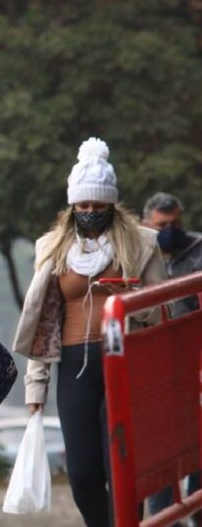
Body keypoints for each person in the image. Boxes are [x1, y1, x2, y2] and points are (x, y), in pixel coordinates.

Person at [13, 138, 167, 527]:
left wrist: (129, 297)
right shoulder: (52, 248)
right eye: (84, 206)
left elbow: (161, 309)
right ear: (72, 206)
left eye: (99, 206)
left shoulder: (142, 243)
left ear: (111, 205)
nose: (91, 213)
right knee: (82, 474)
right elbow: (42, 321)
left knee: (121, 466)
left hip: (125, 361)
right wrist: (36, 390)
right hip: (75, 367)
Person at [142, 192, 202, 525]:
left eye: (175, 223)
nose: (170, 230)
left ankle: (196, 509)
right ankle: (164, 517)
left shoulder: (198, 250)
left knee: (197, 442)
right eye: (162, 225)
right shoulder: (140, 254)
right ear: (147, 224)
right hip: (152, 367)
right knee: (158, 452)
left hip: (193, 364)